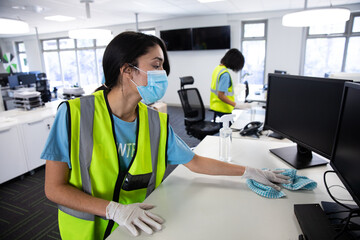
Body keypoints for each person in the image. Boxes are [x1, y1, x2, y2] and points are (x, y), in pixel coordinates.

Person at [42, 31, 290, 240]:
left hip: (137, 228)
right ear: (128, 70)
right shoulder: (74, 115)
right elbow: (54, 188)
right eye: (157, 65)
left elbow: (196, 162)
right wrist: (113, 210)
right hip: (87, 231)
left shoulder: (155, 121)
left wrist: (250, 172)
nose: (163, 74)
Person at [210, 48, 253, 120]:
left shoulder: (218, 68)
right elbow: (221, 95)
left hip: (215, 105)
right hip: (223, 108)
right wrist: (237, 105)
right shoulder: (225, 74)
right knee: (231, 129)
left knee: (225, 128)